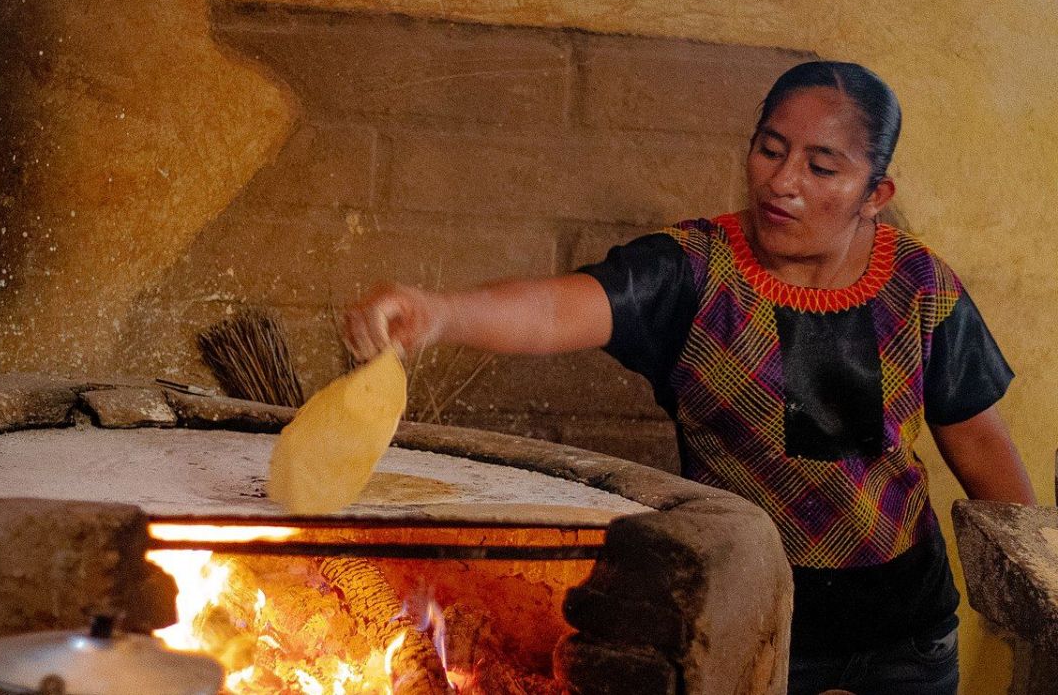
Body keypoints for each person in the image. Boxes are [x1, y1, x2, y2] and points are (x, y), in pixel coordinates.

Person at [342, 61, 1036, 695]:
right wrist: (438, 312)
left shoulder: (921, 287)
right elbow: (558, 307)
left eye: (823, 167)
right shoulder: (692, 271)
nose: (782, 181)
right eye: (770, 149)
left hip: (906, 634)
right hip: (749, 622)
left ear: (874, 192)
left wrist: (1038, 596)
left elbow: (976, 443)